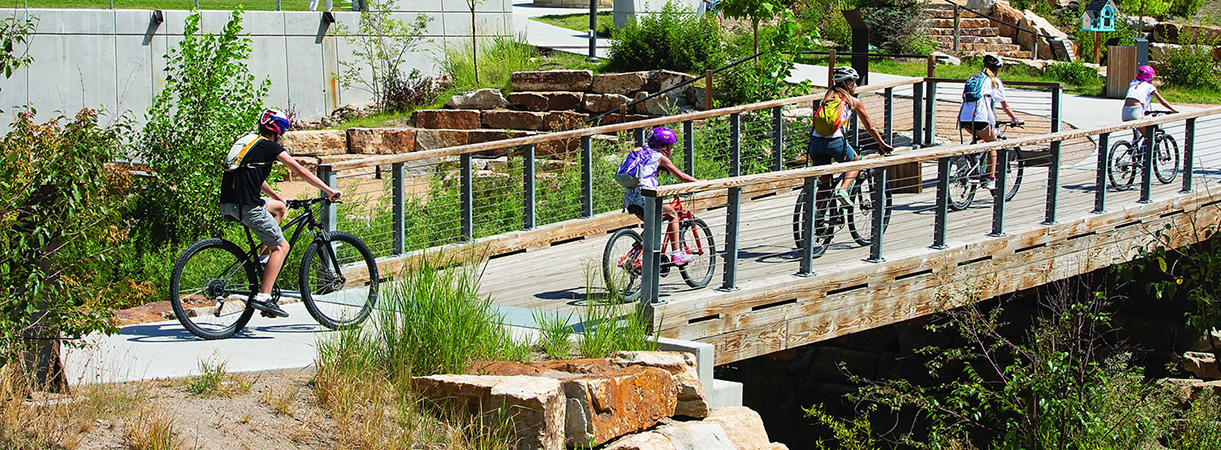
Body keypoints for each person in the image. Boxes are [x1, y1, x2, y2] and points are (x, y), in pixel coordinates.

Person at [219, 109, 342, 318]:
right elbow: (298, 169)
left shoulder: (248, 143)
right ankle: (264, 296)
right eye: (282, 132)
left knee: (279, 208)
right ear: (276, 131)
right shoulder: (269, 146)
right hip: (248, 206)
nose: (282, 137)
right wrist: (329, 191)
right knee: (282, 246)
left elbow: (254, 177)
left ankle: (264, 261)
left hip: (229, 203)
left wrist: (277, 196)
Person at [808, 66, 894, 208]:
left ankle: (818, 220)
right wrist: (882, 143)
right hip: (834, 142)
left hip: (815, 143)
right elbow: (870, 127)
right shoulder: (853, 102)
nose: (856, 86)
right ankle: (843, 190)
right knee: (855, 162)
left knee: (824, 184)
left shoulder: (827, 98)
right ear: (849, 84)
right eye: (854, 82)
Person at [622, 127, 702, 266]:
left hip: (629, 197)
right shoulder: (660, 158)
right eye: (671, 146)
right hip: (646, 196)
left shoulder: (642, 151)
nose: (672, 150)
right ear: (663, 147)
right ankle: (677, 254)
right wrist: (700, 183)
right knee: (673, 215)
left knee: (652, 226)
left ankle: (633, 256)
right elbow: (682, 176)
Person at [958, 54, 1024, 191]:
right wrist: (1015, 118)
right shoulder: (994, 81)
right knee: (992, 145)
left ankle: (969, 158)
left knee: (981, 138)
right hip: (981, 118)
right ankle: (990, 179)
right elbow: (1005, 106)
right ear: (998, 68)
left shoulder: (974, 77)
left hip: (964, 118)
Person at [1122, 65, 1177, 145]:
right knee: (1149, 137)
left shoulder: (1133, 83)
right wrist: (1174, 110)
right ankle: (1144, 155)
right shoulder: (1149, 87)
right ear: (1151, 76)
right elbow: (1162, 101)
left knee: (1138, 132)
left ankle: (1134, 150)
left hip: (1125, 112)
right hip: (1136, 111)